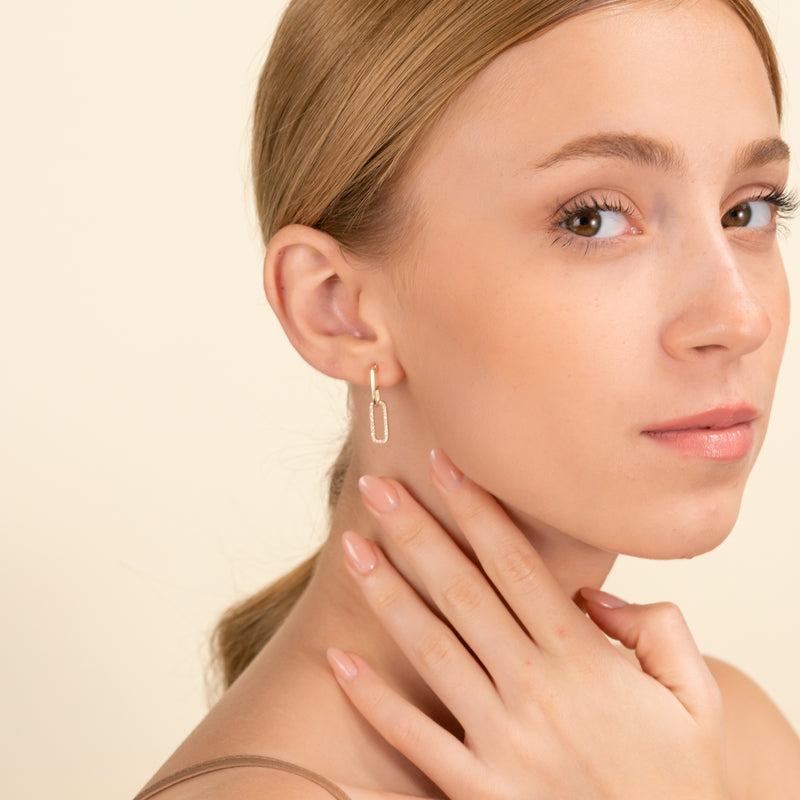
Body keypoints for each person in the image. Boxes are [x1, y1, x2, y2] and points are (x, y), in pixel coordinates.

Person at [134, 0, 800, 797]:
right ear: (336, 308)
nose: (739, 317)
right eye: (591, 219)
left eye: (748, 210)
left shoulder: (721, 740)